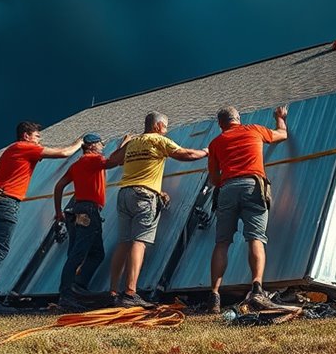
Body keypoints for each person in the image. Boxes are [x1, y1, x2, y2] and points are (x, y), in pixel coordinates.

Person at [0, 122, 83, 313]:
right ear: (26, 136)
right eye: (37, 136)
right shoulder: (24, 147)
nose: (39, 140)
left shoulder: (13, 150)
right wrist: (79, 142)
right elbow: (64, 153)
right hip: (7, 202)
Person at [105, 111, 208, 308]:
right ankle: (130, 293)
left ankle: (112, 292)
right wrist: (205, 151)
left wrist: (124, 144)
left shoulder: (133, 143)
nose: (166, 130)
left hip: (124, 193)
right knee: (139, 242)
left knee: (123, 242)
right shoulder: (159, 140)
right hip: (144, 196)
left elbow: (112, 160)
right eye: (165, 126)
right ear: (158, 126)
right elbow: (186, 154)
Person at [206, 105, 288, 313]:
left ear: (220, 124)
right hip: (253, 186)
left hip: (227, 189)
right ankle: (257, 289)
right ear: (238, 118)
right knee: (255, 238)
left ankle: (214, 294)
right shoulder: (254, 130)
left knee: (222, 243)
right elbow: (282, 135)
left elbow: (214, 178)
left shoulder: (215, 143)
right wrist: (280, 118)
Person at [52, 132, 131, 312]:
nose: (103, 146)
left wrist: (58, 212)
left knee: (96, 253)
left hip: (77, 209)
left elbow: (59, 186)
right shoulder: (93, 159)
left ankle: (78, 288)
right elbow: (115, 161)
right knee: (77, 255)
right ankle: (66, 295)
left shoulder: (77, 164)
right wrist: (126, 144)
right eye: (101, 144)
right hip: (89, 211)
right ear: (91, 146)